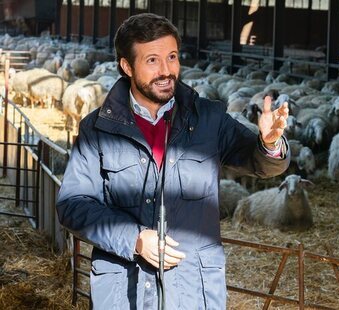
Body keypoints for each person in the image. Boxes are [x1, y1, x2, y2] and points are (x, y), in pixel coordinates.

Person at [56, 13, 290, 310]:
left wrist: (269, 144)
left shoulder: (209, 118)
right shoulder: (97, 129)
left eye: (172, 57)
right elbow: (72, 205)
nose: (166, 70)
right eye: (152, 60)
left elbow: (263, 164)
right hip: (124, 293)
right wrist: (134, 239)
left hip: (193, 290)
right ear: (127, 66)